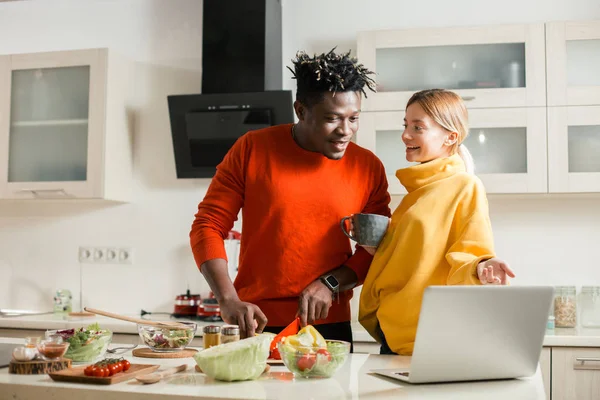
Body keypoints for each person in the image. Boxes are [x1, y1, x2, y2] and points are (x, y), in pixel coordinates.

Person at [190, 49, 391, 343]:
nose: (345, 131)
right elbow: (207, 226)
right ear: (301, 110)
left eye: (353, 118)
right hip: (256, 323)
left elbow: (376, 247)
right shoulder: (252, 149)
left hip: (328, 325)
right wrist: (227, 299)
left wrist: (330, 283)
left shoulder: (367, 166)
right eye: (332, 119)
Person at [358, 89, 515, 356]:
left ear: (450, 136)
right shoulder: (415, 194)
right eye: (406, 125)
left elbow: (469, 251)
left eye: (418, 127)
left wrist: (483, 265)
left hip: (425, 338)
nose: (406, 135)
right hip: (392, 332)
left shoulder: (464, 186)